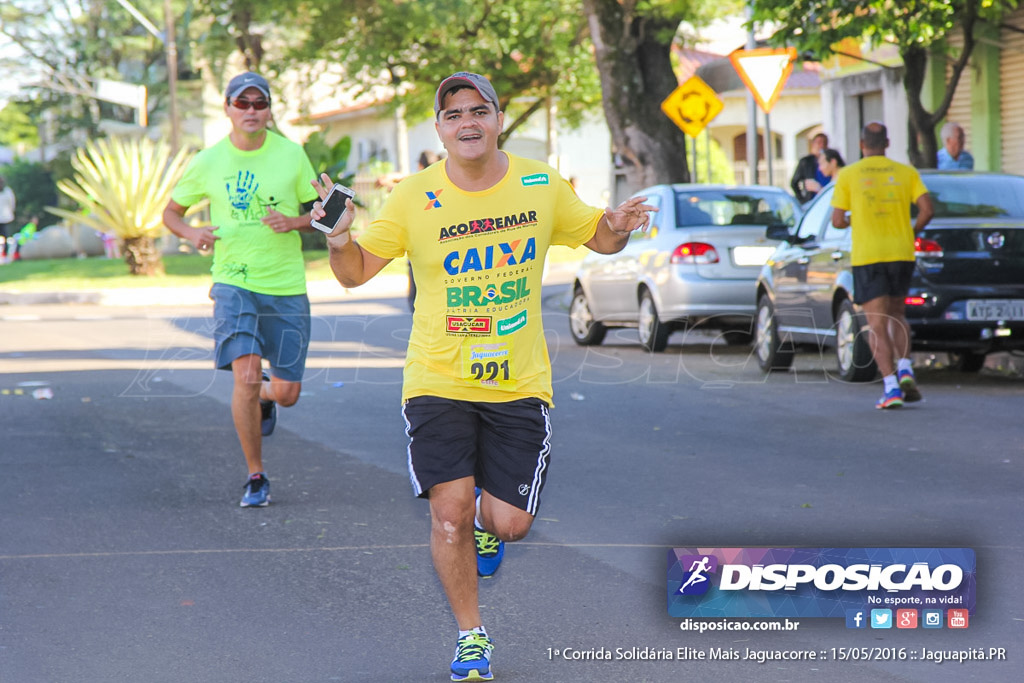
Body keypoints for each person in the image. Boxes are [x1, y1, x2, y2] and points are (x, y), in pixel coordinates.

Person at [312, 71, 655, 682]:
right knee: (447, 513)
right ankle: (473, 637)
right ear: (440, 129)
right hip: (437, 377)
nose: (467, 121)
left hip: (519, 382)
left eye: (479, 110)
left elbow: (597, 236)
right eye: (453, 114)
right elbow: (355, 272)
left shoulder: (538, 184)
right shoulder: (414, 195)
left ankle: (485, 525)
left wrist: (620, 224)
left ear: (498, 120)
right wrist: (339, 240)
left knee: (510, 523)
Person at [162, 71, 320, 507]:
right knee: (245, 376)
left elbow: (326, 208)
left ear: (269, 110)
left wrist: (295, 222)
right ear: (229, 109)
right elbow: (171, 213)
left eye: (259, 103)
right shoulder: (209, 160)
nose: (251, 110)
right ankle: (256, 475)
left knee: (286, 394)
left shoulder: (291, 154)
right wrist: (193, 234)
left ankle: (268, 397)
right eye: (242, 103)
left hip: (285, 284)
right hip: (233, 280)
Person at [831, 122, 934, 409]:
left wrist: (857, 218)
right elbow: (928, 210)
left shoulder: (849, 175)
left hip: (870, 255)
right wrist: (911, 232)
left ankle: (891, 388)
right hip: (901, 253)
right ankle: (905, 369)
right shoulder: (906, 173)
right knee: (898, 315)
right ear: (887, 143)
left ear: (862, 144)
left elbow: (837, 220)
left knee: (876, 323)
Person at [791, 132, 829, 203]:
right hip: (812, 200)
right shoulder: (806, 162)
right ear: (813, 144)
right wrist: (802, 199)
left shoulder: (829, 161)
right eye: (819, 142)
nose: (822, 145)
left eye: (824, 143)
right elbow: (794, 182)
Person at [0, 175, 16, 261]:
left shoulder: (7, 191)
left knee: (6, 236)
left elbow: (12, 204)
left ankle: (6, 254)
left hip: (5, 218)